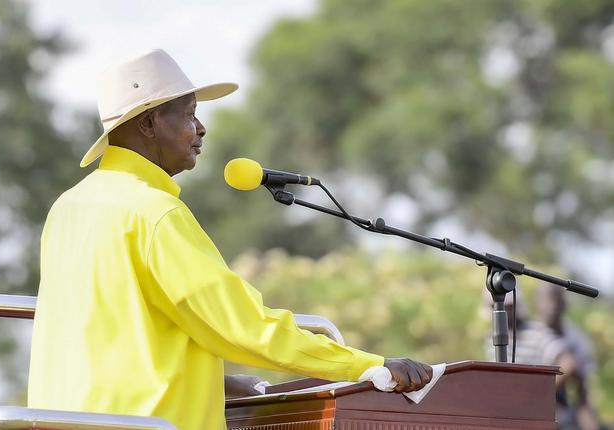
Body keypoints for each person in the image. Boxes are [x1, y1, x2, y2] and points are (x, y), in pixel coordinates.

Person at [27, 49, 432, 430]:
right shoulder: (153, 212)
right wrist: (366, 366)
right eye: (189, 115)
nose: (201, 129)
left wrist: (214, 384)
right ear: (149, 123)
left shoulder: (67, 207)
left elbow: (115, 337)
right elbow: (243, 326)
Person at [536, 285, 602, 430]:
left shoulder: (577, 340)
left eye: (556, 299)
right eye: (548, 298)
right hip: (531, 408)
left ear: (565, 304)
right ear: (538, 302)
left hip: (561, 413)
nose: (552, 305)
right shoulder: (528, 335)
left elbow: (582, 393)